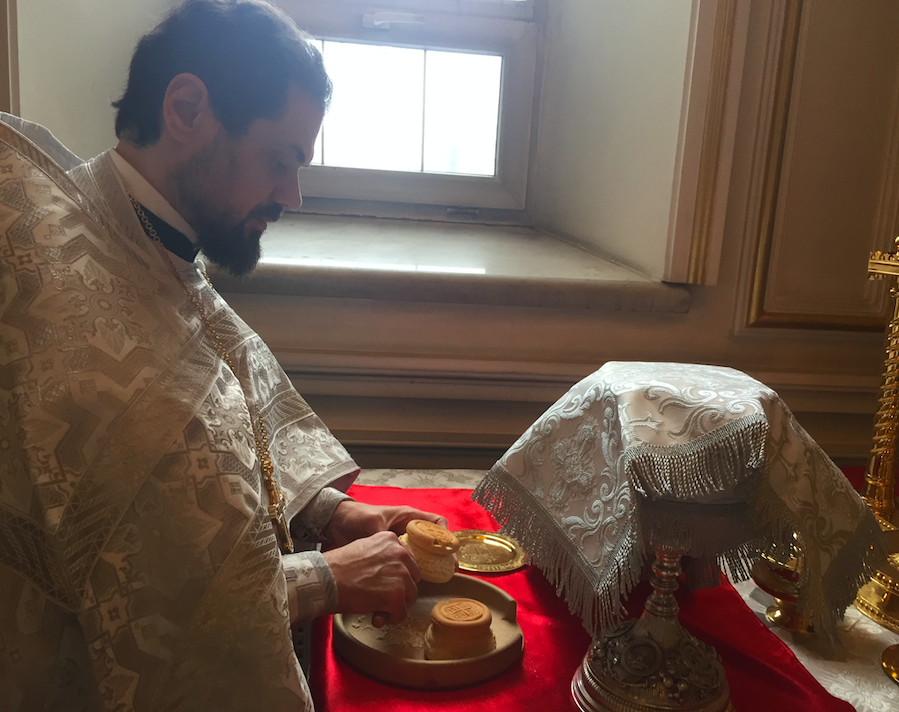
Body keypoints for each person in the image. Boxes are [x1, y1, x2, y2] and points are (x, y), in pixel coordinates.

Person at [0, 1, 445, 710]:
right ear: (186, 109)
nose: (292, 195)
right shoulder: (59, 286)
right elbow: (139, 600)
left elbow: (222, 453)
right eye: (279, 160)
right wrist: (327, 578)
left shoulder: (151, 246)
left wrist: (327, 514)